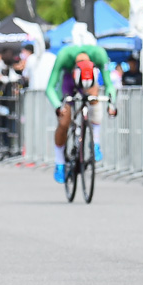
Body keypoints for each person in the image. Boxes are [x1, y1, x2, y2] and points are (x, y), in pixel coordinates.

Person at [44, 43, 117, 184]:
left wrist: (111, 104)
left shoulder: (99, 54)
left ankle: (95, 142)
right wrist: (58, 106)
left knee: (94, 95)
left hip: (90, 80)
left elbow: (109, 85)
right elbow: (50, 88)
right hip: (68, 82)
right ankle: (60, 162)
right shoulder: (64, 56)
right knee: (64, 121)